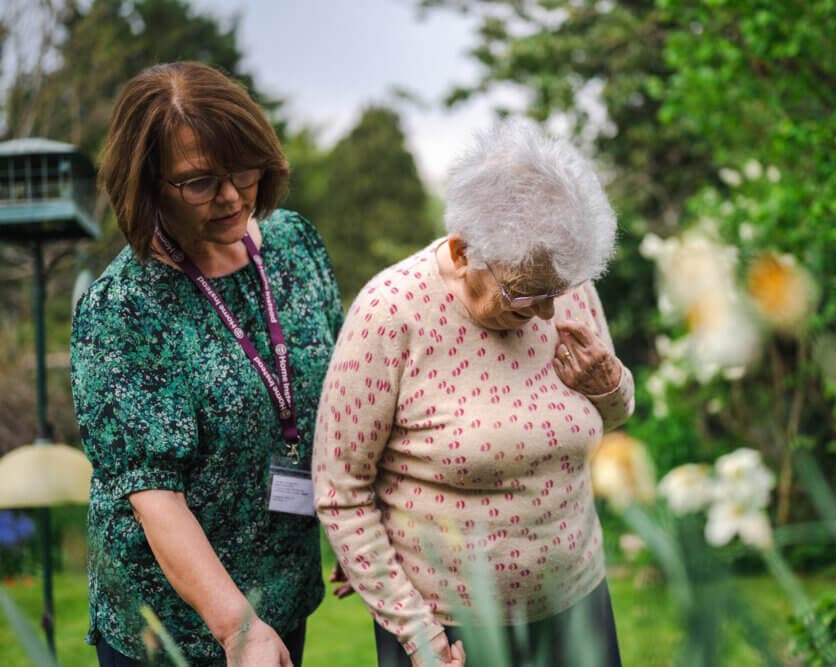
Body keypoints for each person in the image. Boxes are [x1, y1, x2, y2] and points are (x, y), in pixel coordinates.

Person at [313, 119, 634, 666]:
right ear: (463, 253)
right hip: (451, 627)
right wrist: (417, 634)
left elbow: (615, 415)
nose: (549, 313)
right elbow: (341, 489)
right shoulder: (390, 313)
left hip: (578, 599)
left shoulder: (564, 284)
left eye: (557, 292)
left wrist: (610, 388)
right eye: (525, 294)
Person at [71, 61, 343, 666]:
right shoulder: (123, 309)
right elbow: (153, 494)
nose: (230, 196)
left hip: (281, 589)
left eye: (242, 169)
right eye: (197, 181)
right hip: (169, 625)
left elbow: (346, 398)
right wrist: (236, 626)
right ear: (145, 186)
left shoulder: (296, 247)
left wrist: (351, 523)